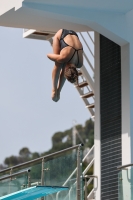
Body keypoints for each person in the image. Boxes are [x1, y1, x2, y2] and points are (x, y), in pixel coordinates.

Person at [47, 29, 83, 102]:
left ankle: (59, 90)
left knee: (63, 63)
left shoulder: (79, 64)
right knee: (58, 64)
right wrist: (57, 58)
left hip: (74, 34)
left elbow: (67, 69)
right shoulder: (64, 57)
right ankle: (54, 90)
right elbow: (48, 55)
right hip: (61, 34)